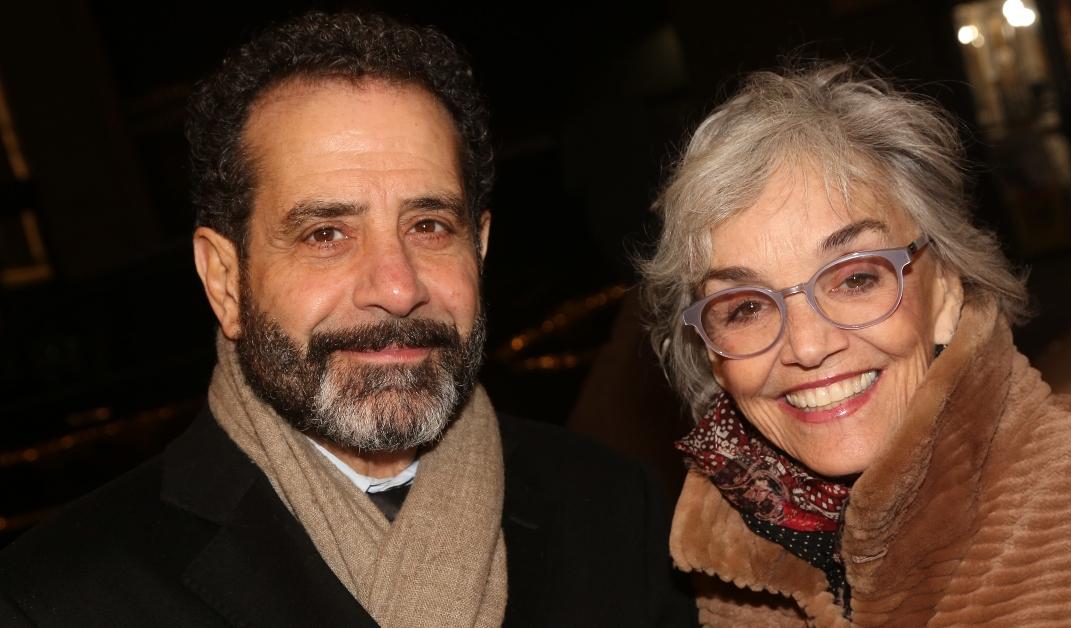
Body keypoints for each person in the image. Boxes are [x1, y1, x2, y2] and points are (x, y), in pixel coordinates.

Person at [0, 12, 694, 627]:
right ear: (225, 279)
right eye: (325, 234)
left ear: (479, 248)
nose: (396, 289)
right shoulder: (58, 597)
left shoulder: (615, 509)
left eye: (428, 225)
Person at [640, 62, 1071, 625]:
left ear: (947, 287)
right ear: (710, 349)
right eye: (746, 308)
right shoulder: (726, 584)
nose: (807, 347)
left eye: (856, 277)